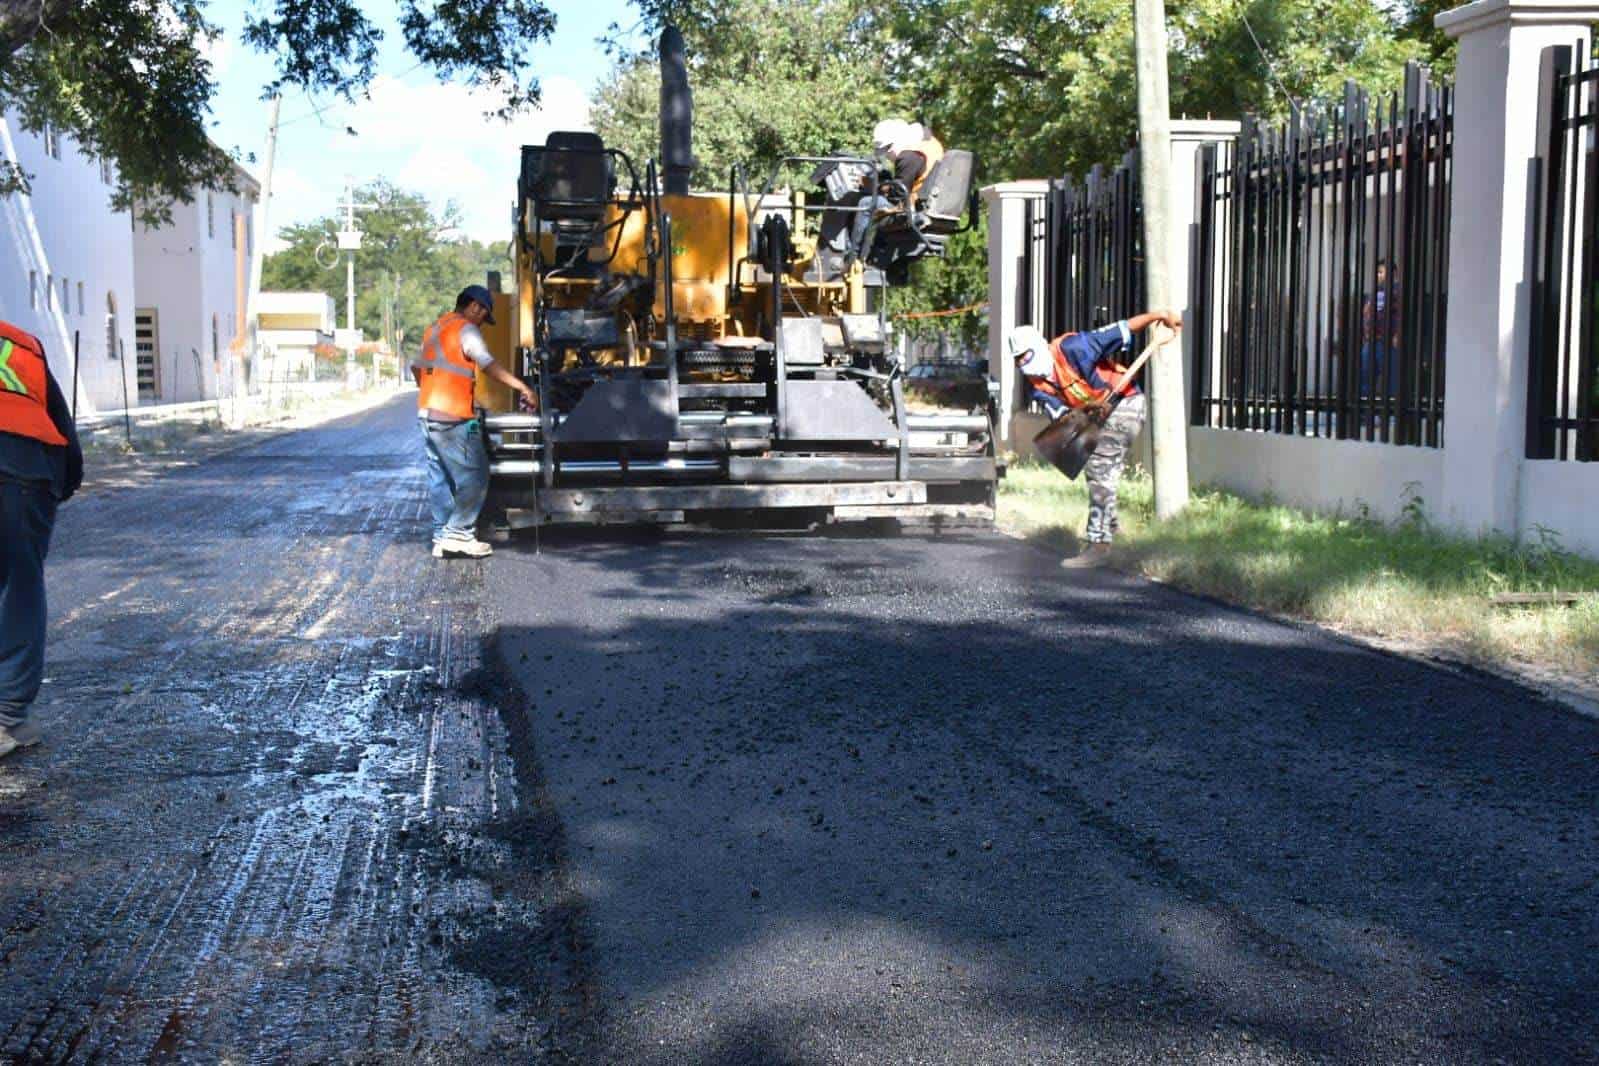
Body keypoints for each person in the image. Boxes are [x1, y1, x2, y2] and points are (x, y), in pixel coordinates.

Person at [1006, 311, 1181, 568]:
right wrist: (1091, 407)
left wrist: (1161, 315)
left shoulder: (1074, 348)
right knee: (1096, 471)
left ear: (1039, 347)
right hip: (1098, 415)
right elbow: (1066, 418)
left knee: (1101, 466)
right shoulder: (1038, 387)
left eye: (1026, 356)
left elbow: (1122, 328)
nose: (1023, 364)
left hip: (1127, 403)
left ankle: (1099, 544)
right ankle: (1113, 531)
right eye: (1017, 360)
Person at [0, 319, 83, 759]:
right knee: (19, 583)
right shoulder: (19, 339)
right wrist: (63, 482)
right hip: (31, 467)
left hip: (26, 463)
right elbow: (60, 419)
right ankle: (10, 717)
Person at [411, 285, 536, 559]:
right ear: (475, 307)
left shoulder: (434, 328)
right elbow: (488, 364)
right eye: (484, 315)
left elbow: (415, 367)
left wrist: (435, 395)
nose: (482, 322)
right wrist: (523, 388)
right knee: (476, 474)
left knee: (440, 478)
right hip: (450, 418)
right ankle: (459, 534)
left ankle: (441, 535)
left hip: (427, 413)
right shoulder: (466, 329)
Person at [849, 119, 945, 256]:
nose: (887, 157)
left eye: (886, 151)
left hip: (913, 208)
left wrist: (875, 186)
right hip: (929, 204)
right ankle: (871, 254)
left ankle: (853, 258)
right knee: (876, 204)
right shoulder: (930, 144)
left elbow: (898, 195)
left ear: (895, 143)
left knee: (865, 203)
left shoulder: (909, 156)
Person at [1360, 258, 1402, 399]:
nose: (1378, 275)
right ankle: (1366, 413)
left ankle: (1390, 416)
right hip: (1371, 341)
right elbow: (1366, 314)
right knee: (1365, 378)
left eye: (1381, 272)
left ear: (1393, 273)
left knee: (1392, 381)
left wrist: (1396, 334)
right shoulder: (1374, 292)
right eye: (1378, 272)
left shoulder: (1399, 292)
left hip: (1389, 342)